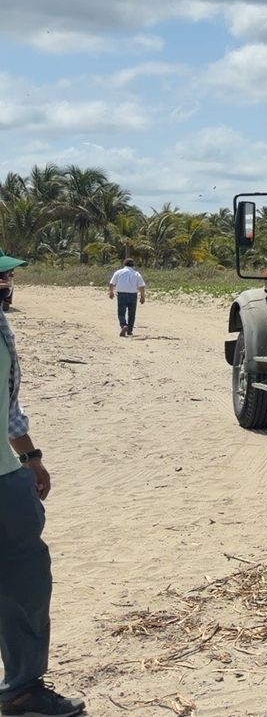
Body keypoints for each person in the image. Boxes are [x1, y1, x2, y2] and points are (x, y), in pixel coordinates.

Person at [1, 291, 86, 717]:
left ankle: (21, 690)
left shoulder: (1, 326)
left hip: (7, 476)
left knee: (25, 585)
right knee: (23, 582)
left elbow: (8, 404)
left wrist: (30, 457)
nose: (7, 282)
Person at [107, 258, 147, 337]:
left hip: (121, 294)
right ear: (133, 265)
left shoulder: (118, 272)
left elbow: (112, 283)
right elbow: (141, 286)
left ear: (124, 264)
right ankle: (129, 330)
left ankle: (123, 325)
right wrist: (142, 297)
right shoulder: (136, 274)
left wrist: (111, 292)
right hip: (133, 295)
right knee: (132, 314)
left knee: (121, 312)